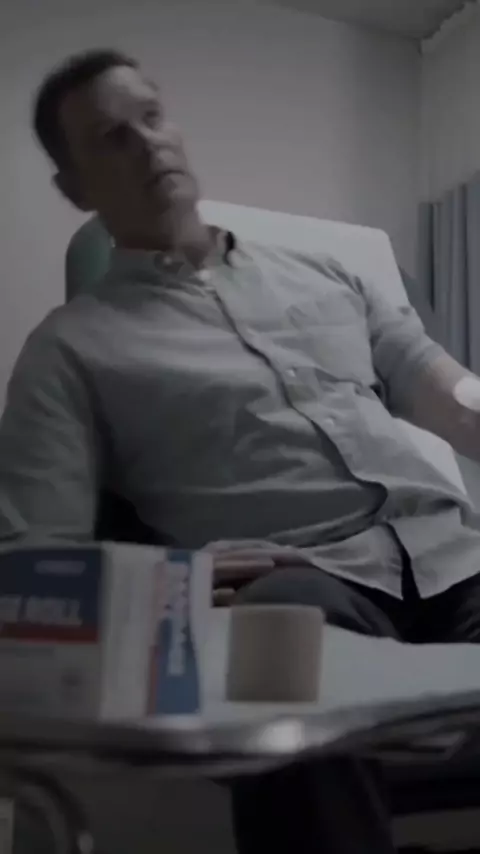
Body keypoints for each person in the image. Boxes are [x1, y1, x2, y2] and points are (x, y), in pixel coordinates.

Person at [2, 48, 480, 852]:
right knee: (275, 647)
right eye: (113, 137)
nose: (148, 143)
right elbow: (31, 556)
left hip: (454, 555)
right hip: (304, 582)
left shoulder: (328, 276)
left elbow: (452, 396)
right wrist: (172, 579)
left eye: (152, 117)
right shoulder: (70, 351)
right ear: (75, 188)